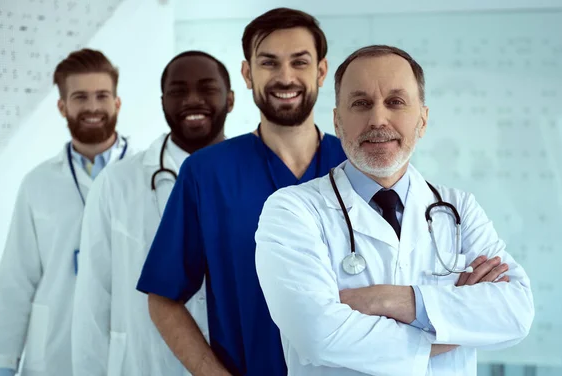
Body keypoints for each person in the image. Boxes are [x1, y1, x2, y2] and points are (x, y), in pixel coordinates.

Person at [254, 45, 535, 376]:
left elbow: (515, 312)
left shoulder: (459, 209)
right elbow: (318, 334)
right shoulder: (292, 211)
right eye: (360, 103)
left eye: (396, 102)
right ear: (337, 121)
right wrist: (454, 326)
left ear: (423, 119)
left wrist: (386, 300)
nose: (377, 119)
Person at [135, 7, 347, 376]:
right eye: (269, 63)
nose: (285, 77)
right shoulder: (207, 173)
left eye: (299, 62)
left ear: (321, 72)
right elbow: (162, 298)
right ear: (248, 74)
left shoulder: (356, 166)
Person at [70, 50, 234, 376]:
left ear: (230, 99)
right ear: (162, 101)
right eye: (178, 91)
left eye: (207, 88)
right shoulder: (116, 183)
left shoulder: (252, 178)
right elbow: (92, 299)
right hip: (147, 363)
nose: (192, 100)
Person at [0, 48, 133, 376]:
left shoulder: (147, 177)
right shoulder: (37, 184)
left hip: (131, 353)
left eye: (102, 95)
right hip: (54, 356)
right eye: (80, 97)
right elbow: (16, 280)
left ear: (117, 103)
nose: (92, 107)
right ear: (62, 106)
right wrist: (1, 363)